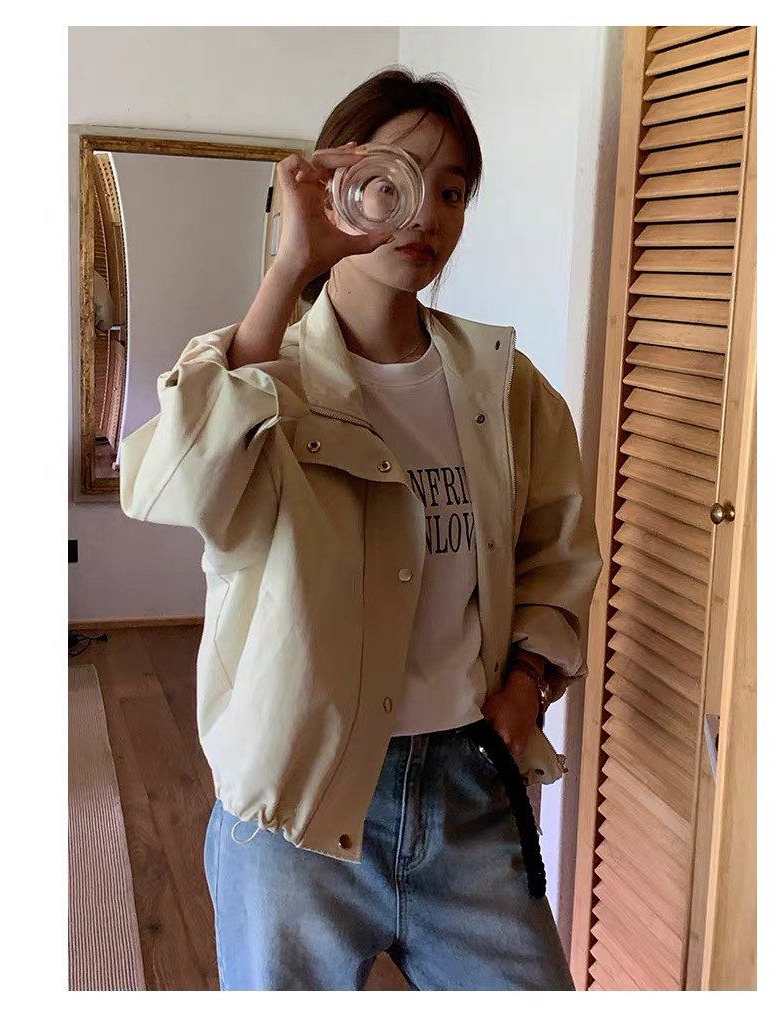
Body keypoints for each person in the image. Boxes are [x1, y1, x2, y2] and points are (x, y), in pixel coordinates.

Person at [120, 68, 602, 991]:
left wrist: (526, 685)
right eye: (395, 178)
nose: (424, 211)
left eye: (452, 190)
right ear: (341, 181)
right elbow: (175, 488)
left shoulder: (506, 386)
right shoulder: (264, 376)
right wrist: (287, 269)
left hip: (470, 787)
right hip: (297, 807)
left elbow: (557, 557)